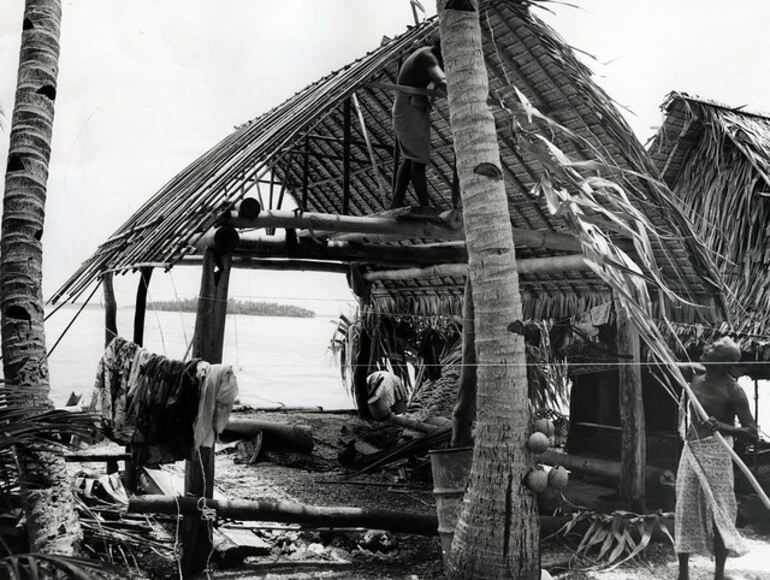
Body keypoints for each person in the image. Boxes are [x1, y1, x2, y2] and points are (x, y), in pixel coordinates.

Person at [675, 337, 758, 580]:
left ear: (721, 362)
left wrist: (722, 426)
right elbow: (671, 365)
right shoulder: (694, 376)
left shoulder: (734, 390)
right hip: (691, 449)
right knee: (684, 508)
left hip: (717, 452)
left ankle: (719, 575)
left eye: (712, 348)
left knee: (720, 511)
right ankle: (683, 574)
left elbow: (752, 432)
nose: (705, 347)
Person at [389, 37, 447, 209]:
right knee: (419, 160)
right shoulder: (428, 57)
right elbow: (441, 81)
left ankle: (396, 200)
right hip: (409, 107)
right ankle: (424, 205)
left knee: (411, 158)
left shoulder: (427, 54)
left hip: (411, 106)